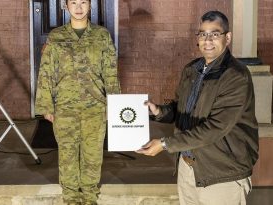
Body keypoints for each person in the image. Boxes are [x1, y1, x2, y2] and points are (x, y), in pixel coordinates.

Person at [136, 11, 259, 205]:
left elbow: (215, 128)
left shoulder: (236, 76)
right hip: (189, 167)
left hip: (222, 172)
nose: (208, 40)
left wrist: (166, 144)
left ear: (228, 37)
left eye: (215, 34)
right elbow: (182, 109)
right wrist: (159, 111)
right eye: (203, 34)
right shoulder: (192, 69)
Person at [35, 0, 120, 204]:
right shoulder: (56, 37)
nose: (79, 7)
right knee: (67, 155)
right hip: (64, 107)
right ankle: (71, 198)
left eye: (83, 2)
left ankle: (90, 198)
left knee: (92, 156)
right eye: (74, 2)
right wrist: (46, 105)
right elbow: (46, 72)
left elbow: (110, 72)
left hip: (95, 107)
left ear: (90, 6)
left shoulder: (102, 35)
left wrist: (114, 104)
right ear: (66, 6)